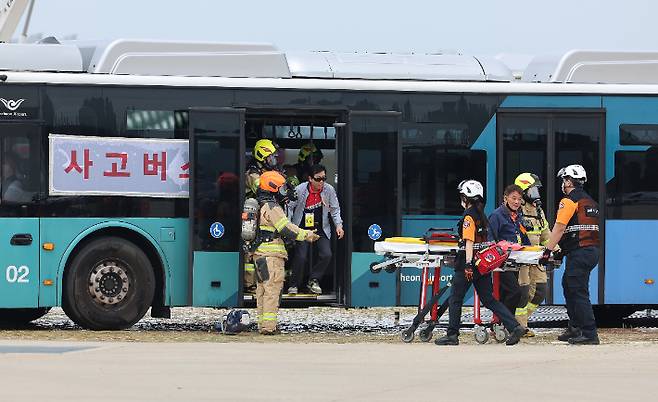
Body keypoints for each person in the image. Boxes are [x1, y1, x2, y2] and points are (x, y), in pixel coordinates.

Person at [435, 180, 526, 346]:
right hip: (482, 265)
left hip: (467, 265)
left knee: (455, 299)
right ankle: (514, 327)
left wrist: (468, 264)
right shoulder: (482, 215)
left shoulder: (469, 216)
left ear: (466, 197)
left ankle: (452, 335)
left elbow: (469, 241)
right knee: (489, 300)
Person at [253, 171, 319, 334]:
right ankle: (269, 327)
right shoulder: (272, 207)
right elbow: (286, 228)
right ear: (273, 188)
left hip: (259, 254)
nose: (285, 191)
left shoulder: (259, 205)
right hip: (271, 256)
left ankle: (263, 324)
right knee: (272, 290)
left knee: (262, 290)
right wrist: (307, 235)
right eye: (282, 188)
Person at [540, 164, 600, 345]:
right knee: (568, 284)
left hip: (580, 253)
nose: (563, 184)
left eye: (564, 180)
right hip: (590, 252)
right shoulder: (590, 201)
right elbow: (578, 231)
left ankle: (589, 333)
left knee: (578, 291)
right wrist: (562, 252)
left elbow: (560, 228)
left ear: (568, 181)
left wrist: (548, 251)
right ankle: (575, 327)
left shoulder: (568, 201)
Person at [288, 164, 344, 294]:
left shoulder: (328, 190)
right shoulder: (300, 189)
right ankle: (294, 284)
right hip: (301, 227)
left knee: (327, 254)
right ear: (310, 179)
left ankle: (313, 280)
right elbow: (290, 207)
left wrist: (339, 225)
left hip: (321, 227)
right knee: (301, 256)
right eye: (318, 179)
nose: (321, 182)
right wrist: (289, 226)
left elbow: (335, 209)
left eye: (324, 178)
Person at [514, 172, 550, 336]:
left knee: (540, 291)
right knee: (523, 292)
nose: (536, 194)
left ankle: (518, 321)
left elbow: (546, 234)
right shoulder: (515, 209)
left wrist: (555, 250)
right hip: (521, 259)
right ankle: (519, 326)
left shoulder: (538, 211)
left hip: (537, 258)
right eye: (532, 190)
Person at [244, 139, 281, 293]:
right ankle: (249, 284)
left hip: (263, 216)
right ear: (262, 156)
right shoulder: (253, 174)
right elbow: (262, 190)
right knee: (249, 250)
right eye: (271, 157)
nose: (274, 160)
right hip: (251, 216)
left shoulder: (267, 172)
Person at [488, 184, 531, 317]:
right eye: (514, 198)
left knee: (505, 294)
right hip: (501, 263)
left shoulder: (518, 217)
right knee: (515, 292)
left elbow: (524, 238)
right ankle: (509, 324)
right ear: (505, 198)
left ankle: (500, 325)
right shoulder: (496, 215)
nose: (517, 202)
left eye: (519, 199)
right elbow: (490, 240)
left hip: (515, 262)